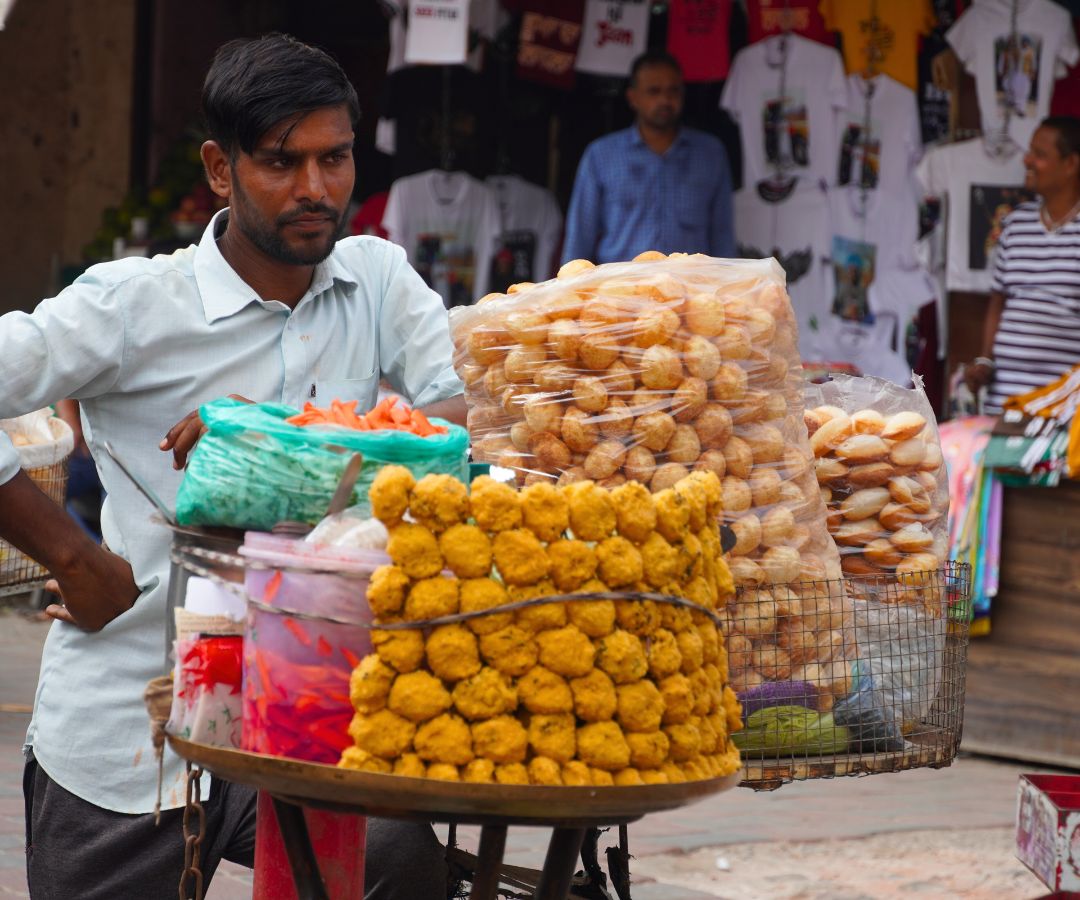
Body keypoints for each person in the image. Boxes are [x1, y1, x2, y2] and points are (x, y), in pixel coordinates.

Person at [1, 33, 464, 899]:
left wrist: (274, 438)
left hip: (312, 717)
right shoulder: (136, 304)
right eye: (282, 164)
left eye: (335, 159)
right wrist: (71, 555)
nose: (317, 190)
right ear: (220, 169)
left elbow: (461, 418)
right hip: (130, 736)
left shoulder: (376, 280)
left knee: (401, 869)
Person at [561, 50, 735, 265]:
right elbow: (579, 238)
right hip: (621, 291)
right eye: (654, 91)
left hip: (690, 291)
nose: (665, 100)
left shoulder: (710, 154)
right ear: (633, 97)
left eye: (673, 91)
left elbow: (723, 238)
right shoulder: (600, 155)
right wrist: (571, 293)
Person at [965, 116, 1080, 414]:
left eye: (1040, 155)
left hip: (1063, 410)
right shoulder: (1015, 225)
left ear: (1071, 165)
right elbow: (998, 302)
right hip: (1004, 402)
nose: (1027, 160)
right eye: (1030, 152)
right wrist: (984, 360)